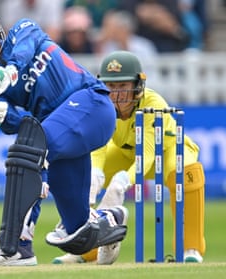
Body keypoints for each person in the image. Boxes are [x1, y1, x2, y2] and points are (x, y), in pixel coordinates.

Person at [0, 9, 128, 266]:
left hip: (93, 105)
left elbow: (24, 50)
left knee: (31, 145)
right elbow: (23, 126)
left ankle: (16, 246)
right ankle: (110, 219)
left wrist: (9, 73)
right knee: (77, 233)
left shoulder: (22, 30)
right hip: (63, 134)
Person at [53, 50, 206, 264]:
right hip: (126, 153)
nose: (117, 94)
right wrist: (95, 174)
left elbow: (149, 153)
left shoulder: (153, 103)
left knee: (187, 174)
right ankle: (85, 251)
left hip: (168, 151)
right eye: (112, 86)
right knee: (83, 175)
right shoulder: (100, 103)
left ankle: (190, 249)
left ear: (137, 85)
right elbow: (99, 146)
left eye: (123, 86)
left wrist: (123, 180)